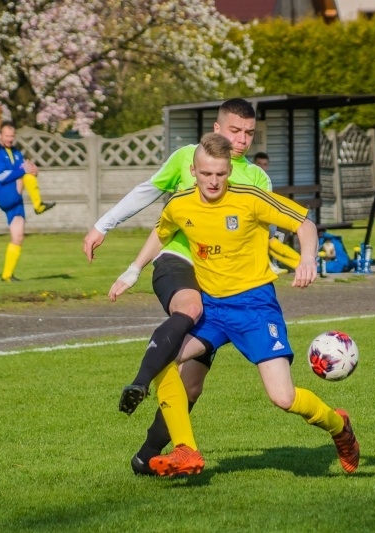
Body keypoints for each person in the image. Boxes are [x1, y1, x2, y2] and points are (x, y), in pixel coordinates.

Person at [114, 133, 360, 477]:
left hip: (255, 307)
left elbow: (305, 223)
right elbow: (162, 231)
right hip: (212, 309)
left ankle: (339, 428)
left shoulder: (250, 198)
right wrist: (133, 270)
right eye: (206, 174)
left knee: (283, 398)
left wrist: (307, 259)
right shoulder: (180, 203)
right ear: (194, 170)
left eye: (221, 174)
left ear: (229, 171)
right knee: (162, 360)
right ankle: (185, 449)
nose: (213, 181)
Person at [84, 98, 300, 475]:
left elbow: (261, 232)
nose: (242, 139)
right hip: (178, 261)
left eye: (249, 133)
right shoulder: (188, 156)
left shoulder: (257, 179)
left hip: (221, 281)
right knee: (190, 308)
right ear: (216, 130)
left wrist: (294, 261)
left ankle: (146, 457)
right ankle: (140, 381)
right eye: (235, 130)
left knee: (192, 386)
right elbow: (148, 191)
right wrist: (105, 225)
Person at [0, 120, 56, 282]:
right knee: (25, 174)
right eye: (7, 136)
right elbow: (1, 176)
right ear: (0, 136)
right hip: (4, 194)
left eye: (12, 136)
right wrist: (25, 171)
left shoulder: (17, 153)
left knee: (18, 236)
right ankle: (38, 206)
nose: (10, 139)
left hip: (15, 199)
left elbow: (23, 169)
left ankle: (7, 276)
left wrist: (32, 170)